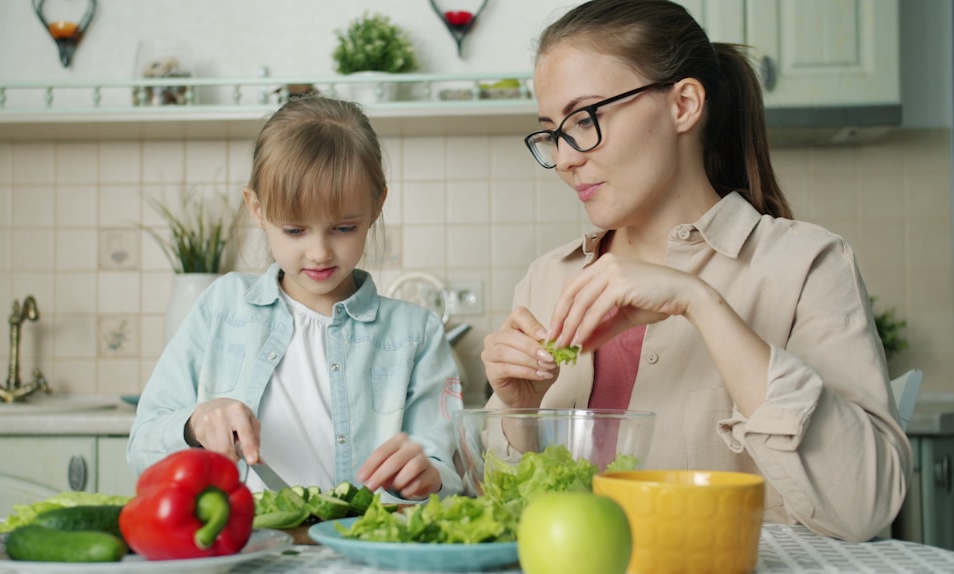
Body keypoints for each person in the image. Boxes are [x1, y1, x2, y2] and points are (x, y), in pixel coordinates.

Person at [481, 0, 911, 541]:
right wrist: (520, 412)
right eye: (552, 132)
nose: (565, 158)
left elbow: (863, 508)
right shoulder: (546, 279)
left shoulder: (808, 266)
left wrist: (700, 302)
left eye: (584, 119)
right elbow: (502, 519)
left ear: (683, 105)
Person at [128, 96, 465, 502]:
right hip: (244, 547)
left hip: (362, 556)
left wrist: (427, 477)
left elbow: (447, 472)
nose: (320, 252)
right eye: (294, 230)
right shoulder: (221, 308)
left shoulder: (417, 334)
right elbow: (141, 448)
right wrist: (194, 423)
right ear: (256, 208)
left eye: (343, 228)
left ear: (377, 206)